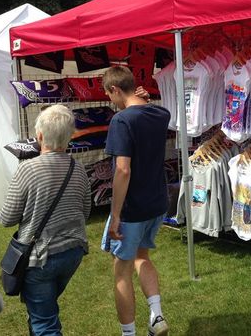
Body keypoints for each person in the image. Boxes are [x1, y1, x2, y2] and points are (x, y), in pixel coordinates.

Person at [0, 105, 91, 336]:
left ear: (39, 136)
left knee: (45, 324)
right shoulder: (78, 168)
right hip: (72, 252)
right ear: (69, 136)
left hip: (40, 257)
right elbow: (85, 212)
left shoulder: (27, 169)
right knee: (44, 311)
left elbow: (6, 218)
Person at [100, 66, 171, 336]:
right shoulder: (161, 113)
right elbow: (148, 112)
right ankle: (156, 315)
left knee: (122, 271)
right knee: (142, 257)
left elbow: (122, 170)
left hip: (133, 207)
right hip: (157, 202)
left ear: (116, 89)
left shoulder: (121, 121)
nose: (111, 101)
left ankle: (128, 333)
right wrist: (145, 100)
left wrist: (115, 215)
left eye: (110, 95)